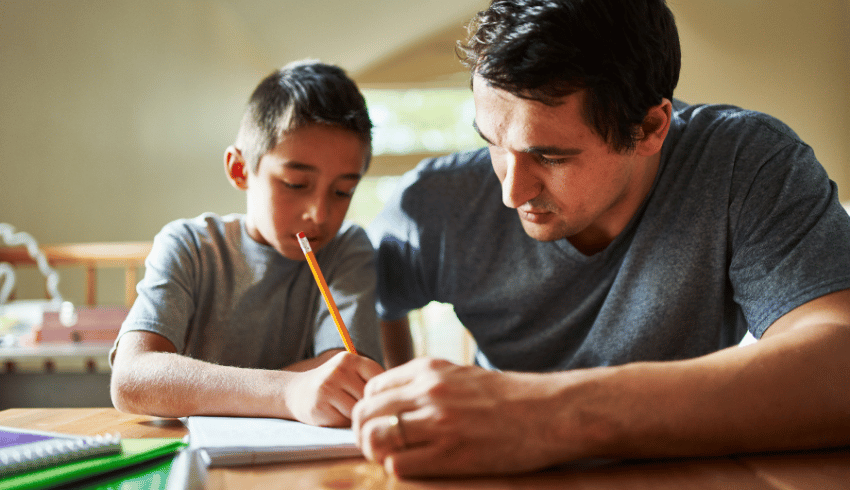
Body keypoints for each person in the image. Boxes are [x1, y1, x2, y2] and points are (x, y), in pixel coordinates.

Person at [353, 0, 850, 477]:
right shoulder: (433, 204)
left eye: (550, 156)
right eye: (491, 143)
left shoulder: (746, 164)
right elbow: (343, 317)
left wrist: (539, 415)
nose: (511, 191)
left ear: (652, 127)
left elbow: (839, 362)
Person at [110, 60, 385, 427]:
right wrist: (287, 392)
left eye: (342, 191)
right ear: (240, 169)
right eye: (295, 184)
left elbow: (343, 377)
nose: (319, 214)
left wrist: (196, 391)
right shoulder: (190, 247)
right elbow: (133, 379)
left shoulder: (346, 249)